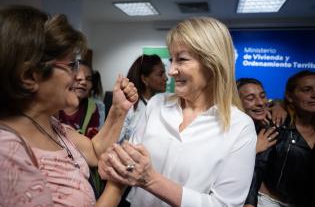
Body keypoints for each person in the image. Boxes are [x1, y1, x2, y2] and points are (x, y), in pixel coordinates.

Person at [99, 17, 257, 207]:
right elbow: (126, 169)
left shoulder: (240, 126)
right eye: (171, 60)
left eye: (181, 60)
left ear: (213, 63)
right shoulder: (157, 105)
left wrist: (151, 180)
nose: (172, 70)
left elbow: (224, 204)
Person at [0, 5, 137, 207]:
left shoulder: (51, 126)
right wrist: (117, 186)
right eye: (71, 65)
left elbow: (94, 151)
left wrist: (118, 109)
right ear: (29, 76)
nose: (79, 76)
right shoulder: (6, 150)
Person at [244, 70, 315, 207]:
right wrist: (250, 203)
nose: (314, 95)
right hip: (268, 202)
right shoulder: (276, 122)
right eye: (307, 90)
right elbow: (257, 167)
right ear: (289, 96)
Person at [118, 54, 167, 143]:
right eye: (160, 74)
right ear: (145, 79)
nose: (166, 78)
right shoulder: (130, 107)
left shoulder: (164, 105)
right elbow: (115, 142)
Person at [237, 78, 283, 153]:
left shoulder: (275, 122)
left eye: (263, 96)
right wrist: (254, 150)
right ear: (236, 101)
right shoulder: (228, 131)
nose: (260, 103)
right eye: (250, 98)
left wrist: (278, 104)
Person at [58, 61, 101, 138]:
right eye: (77, 77)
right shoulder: (54, 101)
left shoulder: (92, 108)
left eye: (88, 79)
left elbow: (93, 141)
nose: (84, 82)